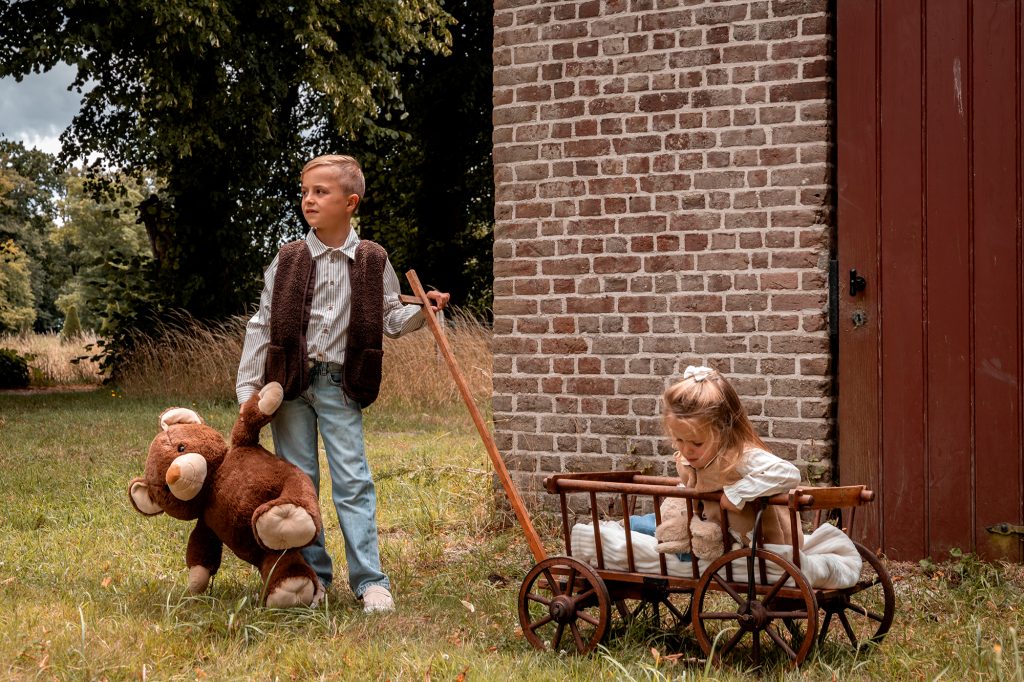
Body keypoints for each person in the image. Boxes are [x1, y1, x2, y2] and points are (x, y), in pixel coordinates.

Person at [236, 154, 449, 613]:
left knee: (353, 481)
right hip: (289, 385)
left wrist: (423, 312)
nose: (308, 200)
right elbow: (263, 322)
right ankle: (312, 576)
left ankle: (370, 581)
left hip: (340, 383)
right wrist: (247, 390)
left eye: (320, 192)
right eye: (305, 191)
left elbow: (391, 316)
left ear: (350, 202)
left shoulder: (373, 260)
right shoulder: (288, 258)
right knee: (300, 483)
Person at [632, 365, 802, 555]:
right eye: (679, 440)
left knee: (654, 533)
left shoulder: (738, 456)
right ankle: (618, 526)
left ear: (723, 430)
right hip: (707, 526)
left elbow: (789, 473)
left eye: (697, 443)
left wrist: (738, 493)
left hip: (756, 543)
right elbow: (695, 485)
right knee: (640, 524)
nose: (687, 449)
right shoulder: (691, 458)